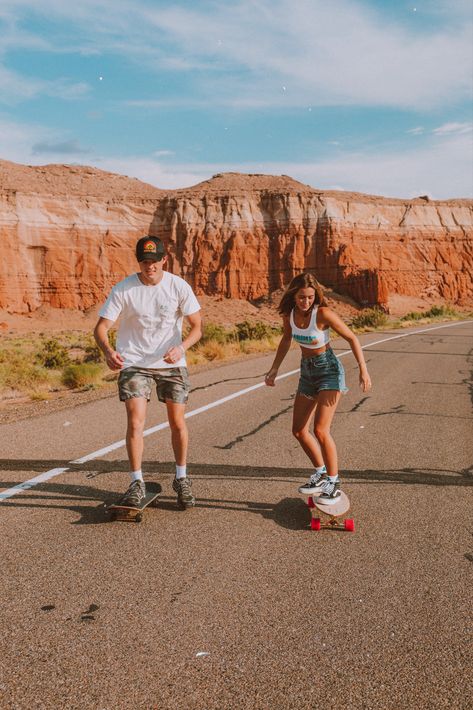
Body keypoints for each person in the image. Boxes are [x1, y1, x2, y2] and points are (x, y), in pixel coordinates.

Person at [94, 236, 202, 509]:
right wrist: (108, 351)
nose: (149, 266)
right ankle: (136, 481)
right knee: (136, 421)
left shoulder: (178, 286)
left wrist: (181, 347)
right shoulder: (124, 289)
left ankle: (181, 477)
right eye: (144, 261)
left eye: (154, 261)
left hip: (171, 363)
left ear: (164, 259)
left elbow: (197, 327)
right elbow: (101, 328)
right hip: (134, 363)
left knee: (177, 422)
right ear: (139, 261)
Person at [264, 272, 371, 503]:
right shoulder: (290, 314)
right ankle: (321, 473)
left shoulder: (322, 314)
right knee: (299, 430)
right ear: (294, 296)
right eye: (302, 297)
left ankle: (334, 481)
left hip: (329, 371)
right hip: (307, 372)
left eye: (310, 297)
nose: (306, 302)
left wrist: (363, 369)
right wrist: (274, 369)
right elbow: (286, 339)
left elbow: (352, 338)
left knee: (321, 430)